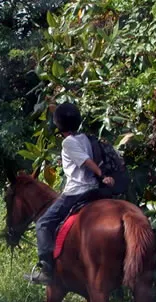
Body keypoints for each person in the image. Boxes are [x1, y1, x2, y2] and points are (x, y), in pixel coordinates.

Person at [25, 102, 115, 285]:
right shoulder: (85, 138)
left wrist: (102, 174)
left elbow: (86, 162)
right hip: (93, 190)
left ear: (59, 125)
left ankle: (47, 269)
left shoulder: (68, 142)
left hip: (77, 191)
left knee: (43, 223)